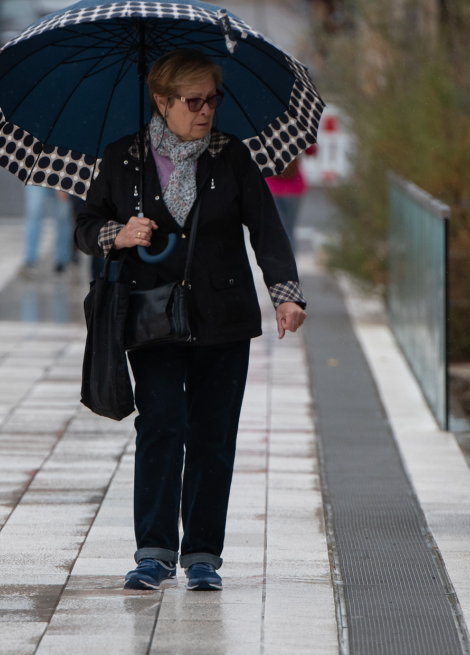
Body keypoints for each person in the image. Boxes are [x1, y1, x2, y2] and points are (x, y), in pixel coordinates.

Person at [75, 49, 307, 592]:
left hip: (224, 318)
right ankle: (153, 550)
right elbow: (84, 227)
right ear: (161, 101)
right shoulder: (122, 159)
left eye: (212, 99)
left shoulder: (232, 158)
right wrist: (119, 234)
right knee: (162, 424)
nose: (206, 111)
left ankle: (203, 553)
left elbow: (267, 231)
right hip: (151, 315)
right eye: (193, 101)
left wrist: (285, 294)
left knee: (212, 434)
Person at [23, 185, 74, 274]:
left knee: (63, 214)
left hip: (62, 175)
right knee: (34, 211)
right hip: (37, 174)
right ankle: (30, 260)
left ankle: (61, 260)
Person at [267, 157, 306, 249]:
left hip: (273, 189)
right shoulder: (295, 141)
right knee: (289, 230)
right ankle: (291, 261)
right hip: (294, 188)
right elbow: (311, 151)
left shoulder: (265, 142)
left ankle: (279, 260)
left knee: (277, 230)